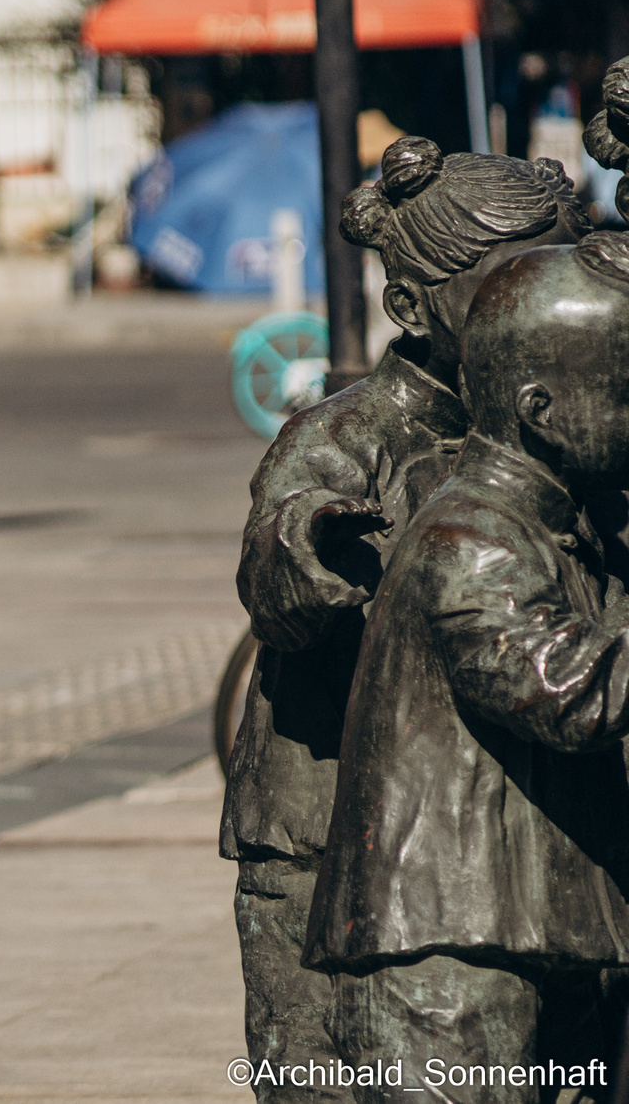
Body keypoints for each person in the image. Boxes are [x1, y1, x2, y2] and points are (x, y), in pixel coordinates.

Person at [219, 139, 582, 1102]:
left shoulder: (557, 424)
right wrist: (311, 548)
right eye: (506, 285)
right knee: (322, 1076)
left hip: (499, 842)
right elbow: (274, 562)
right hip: (325, 827)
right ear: (416, 310)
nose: (536, 307)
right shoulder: (346, 434)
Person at [303, 238, 629, 1101]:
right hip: (445, 946)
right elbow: (567, 690)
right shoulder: (471, 537)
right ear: (541, 407)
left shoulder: (562, 526)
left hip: (523, 930)